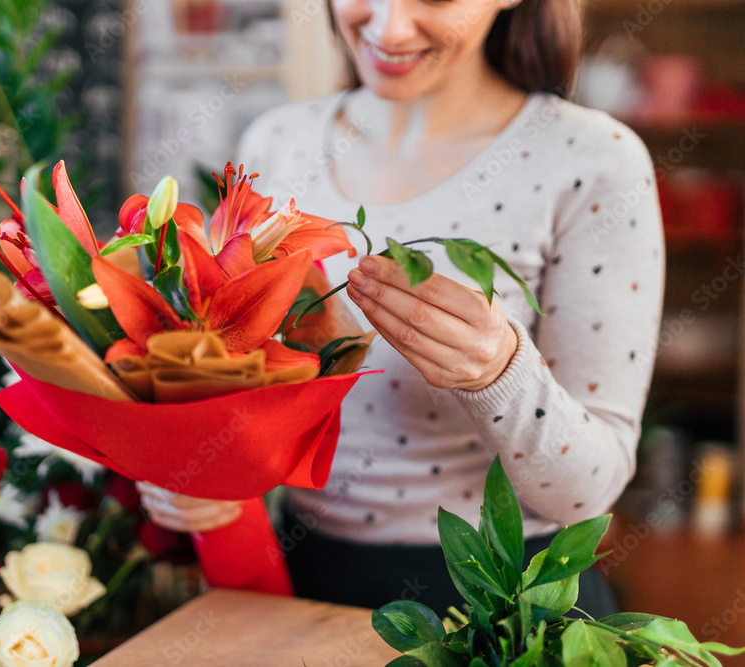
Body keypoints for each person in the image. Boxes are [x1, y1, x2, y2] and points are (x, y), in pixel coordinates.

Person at [137, 0, 664, 616]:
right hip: (304, 587)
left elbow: (590, 493)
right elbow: (255, 403)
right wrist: (211, 485)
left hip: (503, 606)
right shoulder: (277, 142)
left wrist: (499, 374)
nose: (388, 26)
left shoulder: (594, 160)